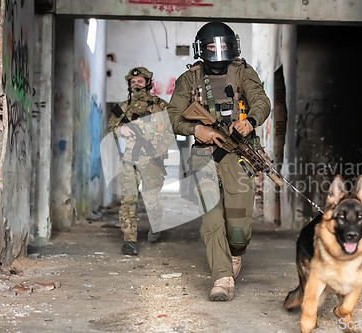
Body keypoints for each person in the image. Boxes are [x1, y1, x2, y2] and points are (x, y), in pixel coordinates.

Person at [167, 22, 271, 301]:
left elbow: (262, 102)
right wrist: (195, 130)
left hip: (237, 153)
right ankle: (221, 278)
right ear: (201, 49)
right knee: (211, 217)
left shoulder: (243, 72)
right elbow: (173, 115)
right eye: (211, 47)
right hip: (203, 154)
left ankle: (235, 253)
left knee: (238, 229)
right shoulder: (189, 79)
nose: (217, 51)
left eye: (222, 45)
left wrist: (249, 122)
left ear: (232, 46)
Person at [108, 66, 171, 255]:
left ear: (148, 83)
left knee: (151, 200)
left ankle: (156, 225)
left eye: (140, 82)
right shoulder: (123, 107)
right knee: (128, 200)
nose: (136, 85)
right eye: (133, 82)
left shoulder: (161, 106)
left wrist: (159, 150)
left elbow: (170, 132)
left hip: (152, 160)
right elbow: (112, 127)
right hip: (128, 159)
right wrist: (120, 130)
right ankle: (129, 240)